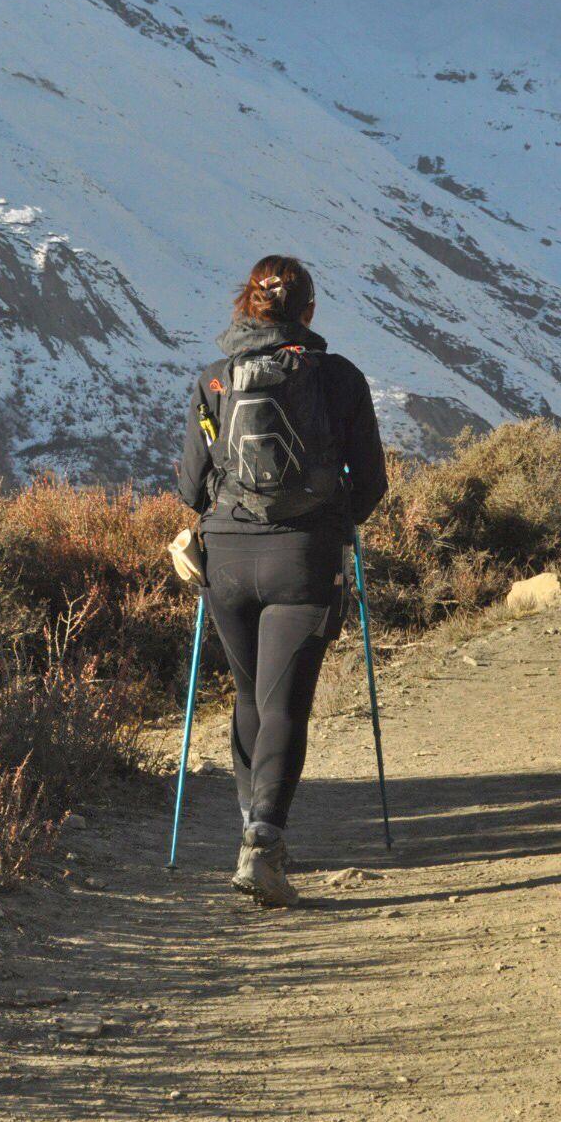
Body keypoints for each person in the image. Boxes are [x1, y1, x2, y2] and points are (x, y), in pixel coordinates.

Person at [177, 255, 387, 905]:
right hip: (303, 559)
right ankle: (263, 845)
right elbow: (372, 484)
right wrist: (333, 521)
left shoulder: (214, 382)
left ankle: (253, 830)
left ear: (246, 305)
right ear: (311, 313)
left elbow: (190, 487)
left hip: (227, 562)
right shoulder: (341, 379)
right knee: (285, 705)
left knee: (248, 698)